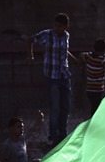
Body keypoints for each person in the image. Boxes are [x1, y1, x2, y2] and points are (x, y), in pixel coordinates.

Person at [26, 13, 76, 145]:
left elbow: (64, 51)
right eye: (55, 25)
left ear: (65, 27)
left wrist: (74, 60)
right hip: (52, 76)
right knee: (55, 108)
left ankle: (63, 134)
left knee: (66, 107)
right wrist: (30, 55)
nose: (56, 28)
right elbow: (31, 39)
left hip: (64, 75)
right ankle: (53, 136)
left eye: (59, 26)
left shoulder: (66, 36)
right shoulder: (48, 34)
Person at [78, 38, 105, 115]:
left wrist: (89, 54)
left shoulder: (88, 56)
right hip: (98, 90)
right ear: (104, 50)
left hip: (89, 89)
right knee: (96, 108)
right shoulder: (102, 60)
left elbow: (81, 55)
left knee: (92, 106)